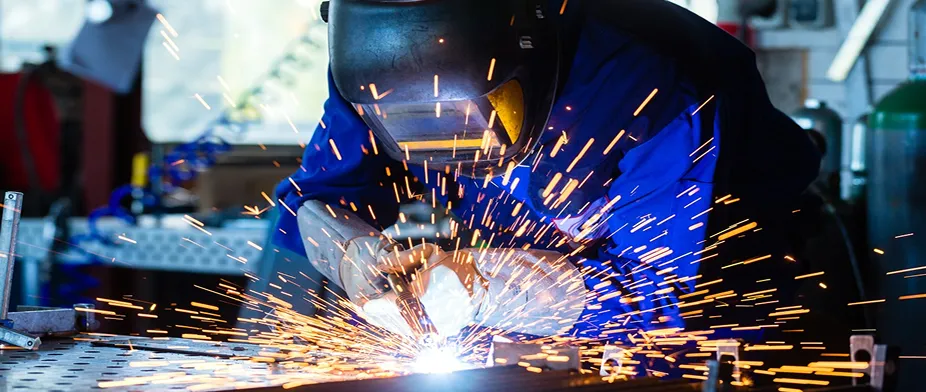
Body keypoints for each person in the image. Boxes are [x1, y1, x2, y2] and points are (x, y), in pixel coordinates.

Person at [270, 0, 820, 341]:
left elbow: (661, 295)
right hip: (522, 302)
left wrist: (486, 287)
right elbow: (315, 201)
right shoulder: (372, 73)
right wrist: (352, 254)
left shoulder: (652, 88)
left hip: (713, 305)